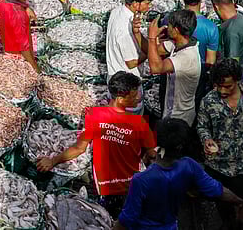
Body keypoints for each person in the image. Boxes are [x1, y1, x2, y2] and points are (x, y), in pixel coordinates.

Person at [36, 71, 155, 218]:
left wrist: (53, 161)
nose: (138, 97)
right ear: (121, 98)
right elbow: (152, 154)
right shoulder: (140, 124)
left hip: (104, 186)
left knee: (105, 217)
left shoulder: (94, 115)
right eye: (134, 94)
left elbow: (79, 148)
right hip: (130, 185)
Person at [116, 119, 242, 230]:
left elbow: (127, 219)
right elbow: (218, 191)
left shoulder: (141, 179)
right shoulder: (189, 166)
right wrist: (240, 202)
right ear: (181, 146)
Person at [197, 58, 243, 228]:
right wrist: (207, 140)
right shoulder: (208, 101)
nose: (222, 90)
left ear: (237, 80)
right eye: (219, 86)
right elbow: (202, 126)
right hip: (219, 166)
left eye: (227, 86)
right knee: (224, 206)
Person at [147, 9, 202, 126]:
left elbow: (156, 68)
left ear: (176, 30)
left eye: (170, 26)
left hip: (180, 118)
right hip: (171, 112)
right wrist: (137, 32)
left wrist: (152, 38)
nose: (167, 28)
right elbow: (152, 51)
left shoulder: (187, 56)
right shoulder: (179, 43)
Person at [0, 0, 37, 71]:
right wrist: (36, 69)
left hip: (7, 48)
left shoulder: (3, 1)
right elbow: (24, 48)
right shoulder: (17, 15)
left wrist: (26, 7)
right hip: (18, 56)